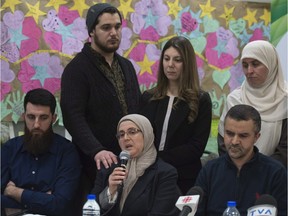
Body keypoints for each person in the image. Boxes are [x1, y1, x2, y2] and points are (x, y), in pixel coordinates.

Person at [60, 3, 141, 187]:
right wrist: (96, 150)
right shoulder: (77, 70)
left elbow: (137, 110)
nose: (114, 32)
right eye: (106, 27)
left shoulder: (126, 66)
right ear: (91, 32)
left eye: (117, 27)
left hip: (131, 159)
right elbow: (73, 117)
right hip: (97, 164)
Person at [140, 36, 212, 194]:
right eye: (166, 59)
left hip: (184, 178)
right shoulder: (148, 97)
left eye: (177, 60)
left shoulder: (201, 100)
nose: (170, 65)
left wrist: (159, 159)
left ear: (187, 63)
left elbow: (196, 146)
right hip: (148, 175)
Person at [195, 104, 287, 216]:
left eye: (243, 136)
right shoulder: (209, 170)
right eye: (229, 133)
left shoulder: (275, 173)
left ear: (256, 137)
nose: (234, 141)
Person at [1, 88, 81, 216]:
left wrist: (14, 192)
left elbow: (60, 204)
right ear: (24, 116)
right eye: (31, 117)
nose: (36, 125)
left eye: (43, 118)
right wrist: (43, 200)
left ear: (53, 119)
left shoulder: (67, 152)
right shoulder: (10, 149)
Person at [91, 114, 180, 216]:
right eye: (121, 135)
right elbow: (91, 211)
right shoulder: (108, 168)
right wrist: (110, 191)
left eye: (132, 132)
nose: (125, 138)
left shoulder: (165, 173)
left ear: (147, 134)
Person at [218, 40, 287, 167]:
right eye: (245, 65)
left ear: (271, 64)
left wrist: (259, 171)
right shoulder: (235, 99)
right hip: (236, 174)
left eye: (255, 64)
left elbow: (285, 150)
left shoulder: (285, 100)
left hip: (274, 176)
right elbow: (223, 142)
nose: (249, 71)